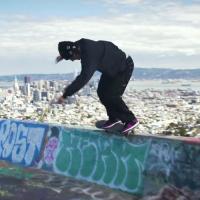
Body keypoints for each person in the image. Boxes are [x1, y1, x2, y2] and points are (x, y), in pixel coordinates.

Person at [55, 38, 139, 135]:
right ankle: (114, 118)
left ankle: (131, 120)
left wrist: (65, 94)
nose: (73, 60)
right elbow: (69, 47)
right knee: (102, 92)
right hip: (111, 69)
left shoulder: (89, 57)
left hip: (123, 67)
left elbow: (83, 78)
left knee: (112, 95)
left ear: (74, 52)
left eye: (71, 58)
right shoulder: (81, 44)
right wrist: (63, 56)